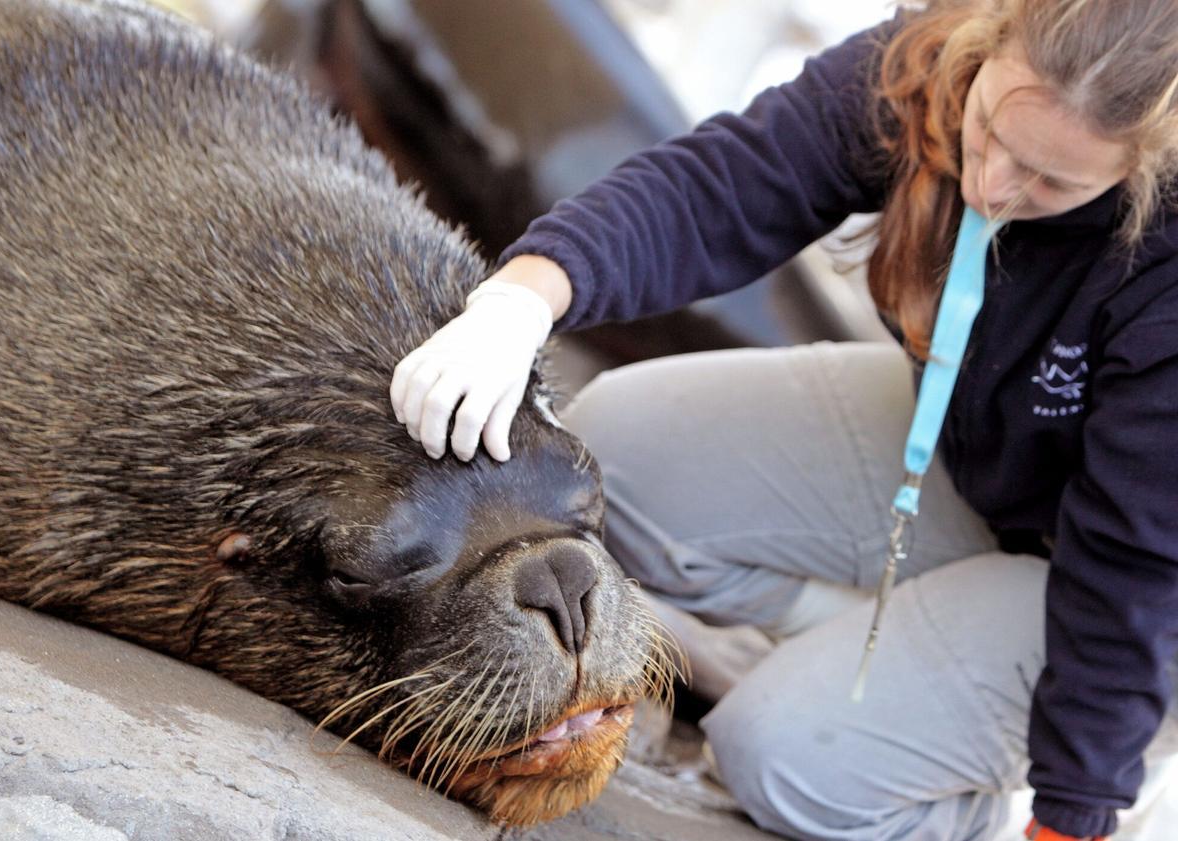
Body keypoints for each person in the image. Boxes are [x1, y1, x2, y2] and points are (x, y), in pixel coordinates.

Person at [388, 1, 1178, 838]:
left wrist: (1073, 808)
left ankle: (952, 786)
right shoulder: (930, 53)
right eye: (988, 131)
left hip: (1137, 589)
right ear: (988, 47)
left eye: (1052, 182)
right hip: (982, 447)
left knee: (786, 760)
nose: (993, 185)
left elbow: (1134, 558)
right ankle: (870, 652)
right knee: (613, 457)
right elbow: (725, 187)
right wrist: (526, 296)